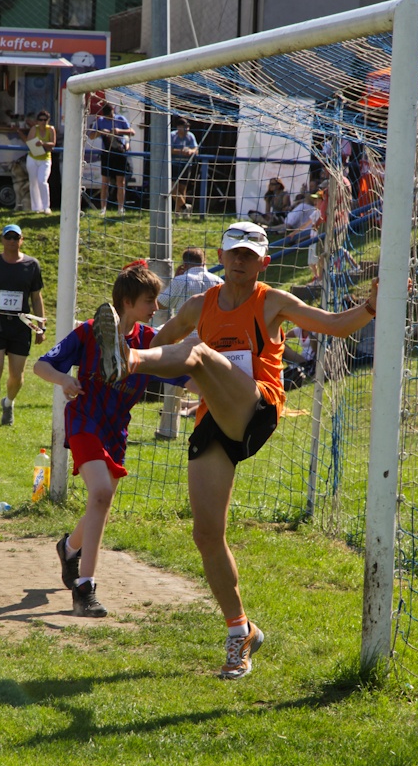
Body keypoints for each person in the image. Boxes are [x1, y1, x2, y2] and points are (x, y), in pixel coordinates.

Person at [92, 220, 379, 679]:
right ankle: (240, 630)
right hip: (216, 420)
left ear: (264, 261)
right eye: (234, 252)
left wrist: (370, 306)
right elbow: (160, 343)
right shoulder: (198, 305)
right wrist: (149, 360)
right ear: (221, 258)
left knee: (197, 353)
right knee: (206, 535)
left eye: (250, 254)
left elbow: (333, 326)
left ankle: (124, 362)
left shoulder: (273, 301)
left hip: (259, 407)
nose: (241, 260)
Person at [33, 264, 184, 617]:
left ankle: (69, 549)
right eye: (149, 300)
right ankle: (85, 588)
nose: (156, 307)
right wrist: (63, 380)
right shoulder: (89, 332)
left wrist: (217, 392)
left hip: (116, 430)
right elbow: (41, 365)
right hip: (84, 421)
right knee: (100, 493)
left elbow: (183, 374)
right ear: (127, 302)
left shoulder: (150, 342)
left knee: (101, 501)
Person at [0, 224, 46, 430]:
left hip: (21, 327)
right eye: (8, 237)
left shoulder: (32, 265)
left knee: (17, 376)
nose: (12, 241)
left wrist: (41, 326)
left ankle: (9, 402)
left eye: (15, 237)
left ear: (21, 240)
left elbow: (36, 298)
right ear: (2, 239)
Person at [155, 248, 223, 439]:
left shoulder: (181, 280)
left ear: (184, 264)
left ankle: (168, 430)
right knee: (208, 387)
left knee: (173, 386)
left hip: (183, 340)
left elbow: (160, 304)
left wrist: (175, 279)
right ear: (204, 261)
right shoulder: (219, 282)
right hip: (210, 342)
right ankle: (208, 430)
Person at [89, 102, 134, 217]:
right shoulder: (100, 121)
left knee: (120, 182)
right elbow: (91, 136)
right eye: (107, 116)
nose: (109, 118)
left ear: (113, 111)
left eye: (110, 115)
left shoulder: (121, 119)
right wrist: (101, 132)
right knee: (105, 182)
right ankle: (103, 209)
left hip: (120, 152)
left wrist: (119, 131)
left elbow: (132, 132)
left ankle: (120, 208)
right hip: (107, 154)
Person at [25, 109, 56, 214]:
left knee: (42, 181)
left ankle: (46, 206)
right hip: (33, 158)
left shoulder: (51, 129)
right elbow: (29, 142)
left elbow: (53, 143)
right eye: (41, 120)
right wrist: (36, 144)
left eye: (45, 120)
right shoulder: (34, 129)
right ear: (37, 121)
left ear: (48, 120)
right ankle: (36, 208)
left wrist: (43, 143)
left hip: (45, 159)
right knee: (33, 182)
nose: (43, 122)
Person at [171, 118, 199, 217]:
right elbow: (169, 149)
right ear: (178, 127)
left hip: (186, 164)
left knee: (182, 189)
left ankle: (178, 213)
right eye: (185, 127)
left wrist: (191, 151)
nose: (187, 129)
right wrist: (181, 151)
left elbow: (196, 150)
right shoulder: (172, 135)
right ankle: (184, 207)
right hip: (174, 164)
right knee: (172, 187)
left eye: (188, 127)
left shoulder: (190, 136)